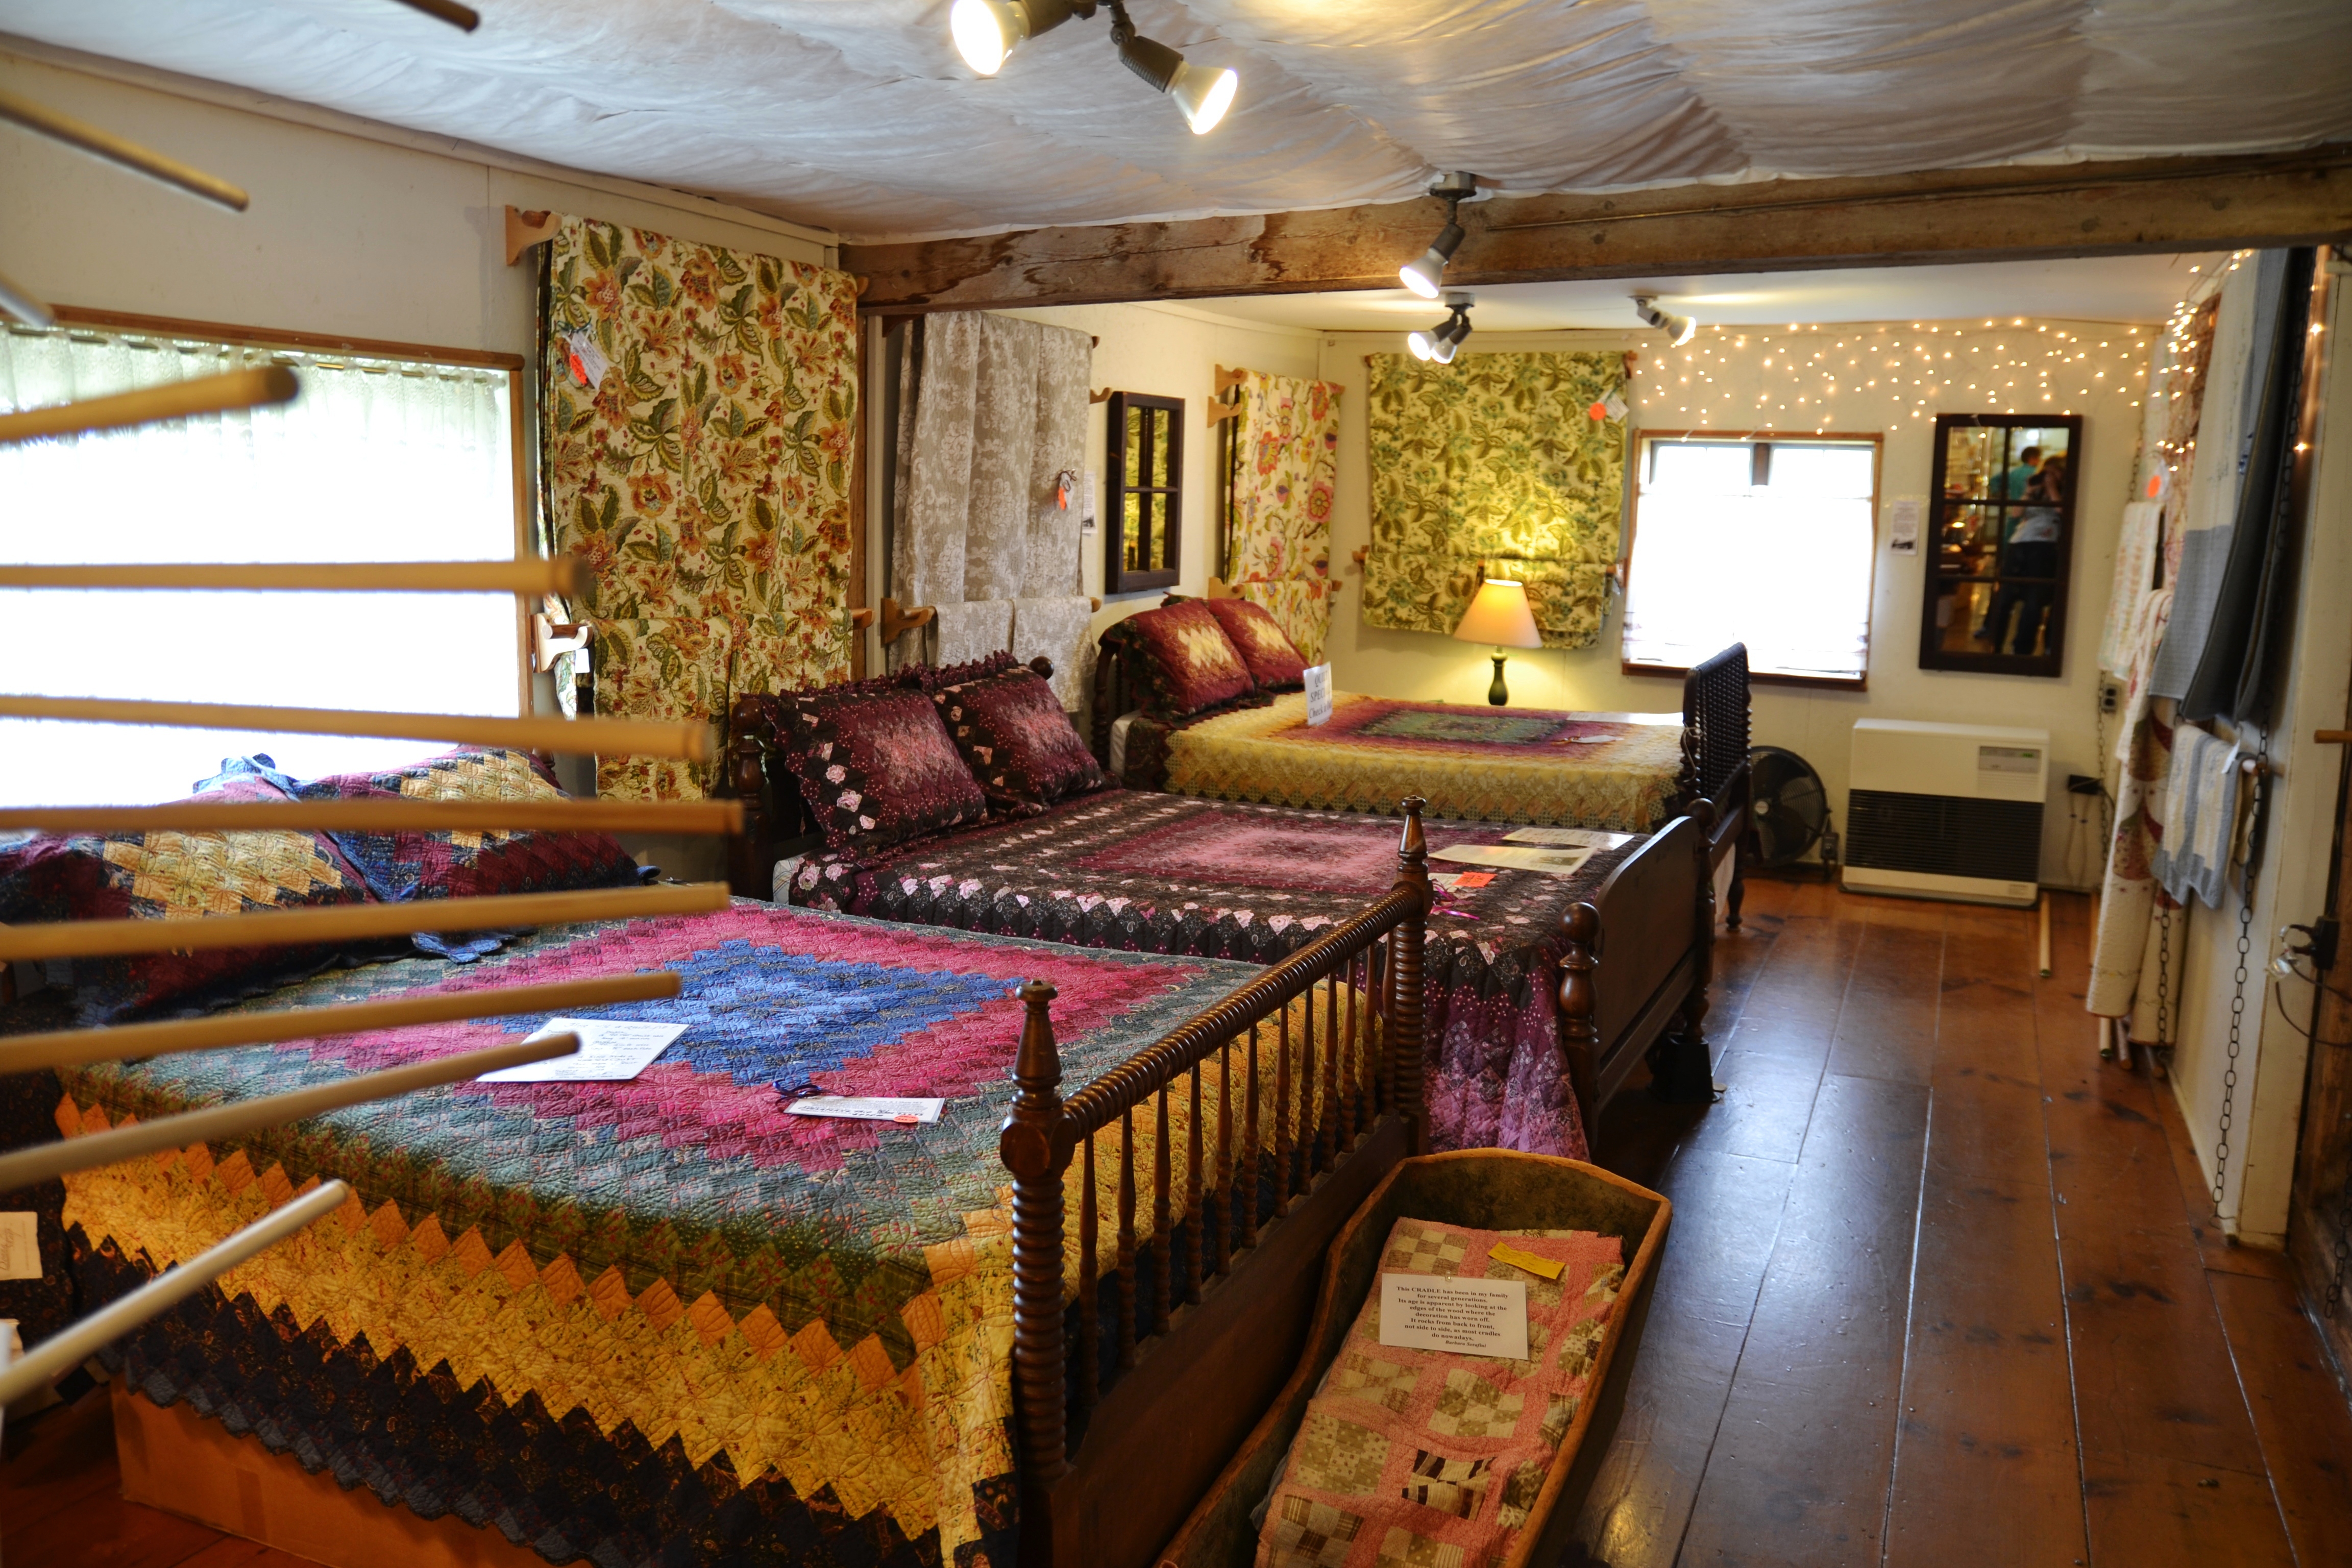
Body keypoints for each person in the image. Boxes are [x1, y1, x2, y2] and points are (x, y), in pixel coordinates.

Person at [1977, 453, 2066, 653]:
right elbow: (2016, 514)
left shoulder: (2064, 493)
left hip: (2045, 548)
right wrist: (2028, 492)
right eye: (2046, 473)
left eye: (2054, 473)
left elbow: (2064, 513)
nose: (2048, 477)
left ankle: (2022, 650)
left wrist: (2053, 489)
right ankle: (1994, 646)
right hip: (2019, 544)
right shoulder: (2035, 492)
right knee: (2004, 598)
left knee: (2034, 603)